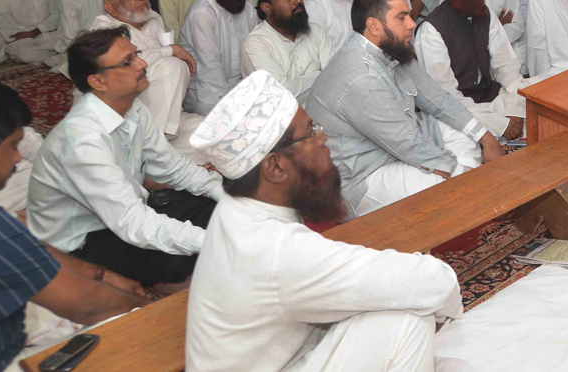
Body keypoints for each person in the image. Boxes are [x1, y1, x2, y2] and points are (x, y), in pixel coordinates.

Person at [186, 70, 467, 372]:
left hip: (287, 355)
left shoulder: (236, 208)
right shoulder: (276, 250)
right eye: (310, 133)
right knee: (408, 317)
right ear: (275, 167)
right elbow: (435, 282)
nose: (323, 138)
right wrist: (447, 312)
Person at [0, 78, 150, 372]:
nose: (16, 158)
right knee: (124, 325)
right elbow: (88, 304)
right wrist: (152, 312)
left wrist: (98, 274)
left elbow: (22, 246)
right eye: (12, 146)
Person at [28, 27, 224, 289]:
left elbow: (174, 168)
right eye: (128, 62)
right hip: (83, 243)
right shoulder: (82, 140)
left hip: (122, 212)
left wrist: (229, 195)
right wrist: (210, 240)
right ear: (98, 82)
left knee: (217, 208)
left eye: (137, 55)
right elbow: (133, 223)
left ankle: (190, 266)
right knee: (176, 256)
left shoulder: (132, 107)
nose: (143, 64)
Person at [308, 0, 502, 216]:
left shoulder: (394, 50)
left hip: (399, 144)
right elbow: (406, 143)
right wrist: (465, 175)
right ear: (374, 26)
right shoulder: (360, 76)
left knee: (468, 140)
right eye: (402, 18)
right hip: (362, 175)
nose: (412, 24)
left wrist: (487, 139)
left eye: (410, 15)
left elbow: (438, 100)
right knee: (445, 187)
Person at [415, 0, 530, 140]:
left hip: (492, 99)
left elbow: (507, 68)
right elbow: (447, 97)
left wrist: (515, 112)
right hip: (459, 113)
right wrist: (500, 125)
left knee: (542, 105)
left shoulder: (485, 15)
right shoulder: (431, 30)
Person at [88, 0, 201, 152]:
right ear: (111, 7)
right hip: (125, 115)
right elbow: (131, 63)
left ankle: (156, 153)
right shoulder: (102, 29)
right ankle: (150, 150)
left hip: (164, 113)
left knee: (214, 129)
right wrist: (171, 50)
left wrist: (170, 50)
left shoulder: (153, 17)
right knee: (173, 65)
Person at [179, 0, 258, 116]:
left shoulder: (246, 7)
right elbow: (210, 68)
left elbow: (255, 50)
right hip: (207, 89)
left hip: (241, 82)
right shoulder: (201, 14)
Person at [241, 0, 333, 104]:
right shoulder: (255, 44)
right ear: (267, 8)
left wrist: (301, 83)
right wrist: (320, 75)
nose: (298, 0)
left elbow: (335, 77)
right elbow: (281, 95)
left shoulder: (315, 31)